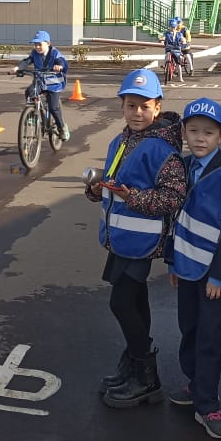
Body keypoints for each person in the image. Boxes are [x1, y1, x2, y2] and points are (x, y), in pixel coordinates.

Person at [83, 69, 187, 409]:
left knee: (121, 303)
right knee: (136, 301)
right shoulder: (121, 141)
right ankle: (134, 363)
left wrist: (135, 199)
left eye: (144, 106)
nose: (137, 112)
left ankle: (145, 375)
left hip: (140, 240)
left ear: (157, 107)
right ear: (122, 107)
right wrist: (96, 190)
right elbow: (116, 184)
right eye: (131, 105)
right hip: (122, 238)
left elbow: (174, 197)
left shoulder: (163, 150)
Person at [166, 98, 221, 440]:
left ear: (220, 136)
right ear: (184, 133)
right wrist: (173, 261)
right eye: (194, 131)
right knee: (189, 328)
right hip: (186, 268)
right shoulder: (183, 168)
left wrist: (220, 275)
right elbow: (176, 221)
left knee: (210, 338)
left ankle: (209, 403)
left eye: (208, 132)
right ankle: (195, 383)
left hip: (213, 276)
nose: (200, 138)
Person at [12, 31, 69, 140]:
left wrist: (59, 66)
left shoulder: (54, 53)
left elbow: (62, 61)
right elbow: (27, 61)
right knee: (29, 91)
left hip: (54, 83)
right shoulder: (34, 53)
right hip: (41, 81)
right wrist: (18, 68)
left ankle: (61, 127)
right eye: (35, 44)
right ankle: (33, 113)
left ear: (48, 43)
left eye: (39, 44)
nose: (37, 47)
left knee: (53, 107)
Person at [163, 18, 187, 82]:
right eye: (171, 27)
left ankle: (180, 77)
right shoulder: (167, 33)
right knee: (167, 55)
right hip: (169, 48)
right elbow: (163, 38)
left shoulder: (179, 34)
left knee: (178, 63)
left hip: (176, 49)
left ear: (176, 27)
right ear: (169, 27)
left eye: (174, 27)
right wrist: (162, 40)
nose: (173, 28)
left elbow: (183, 39)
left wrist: (183, 41)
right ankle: (166, 66)